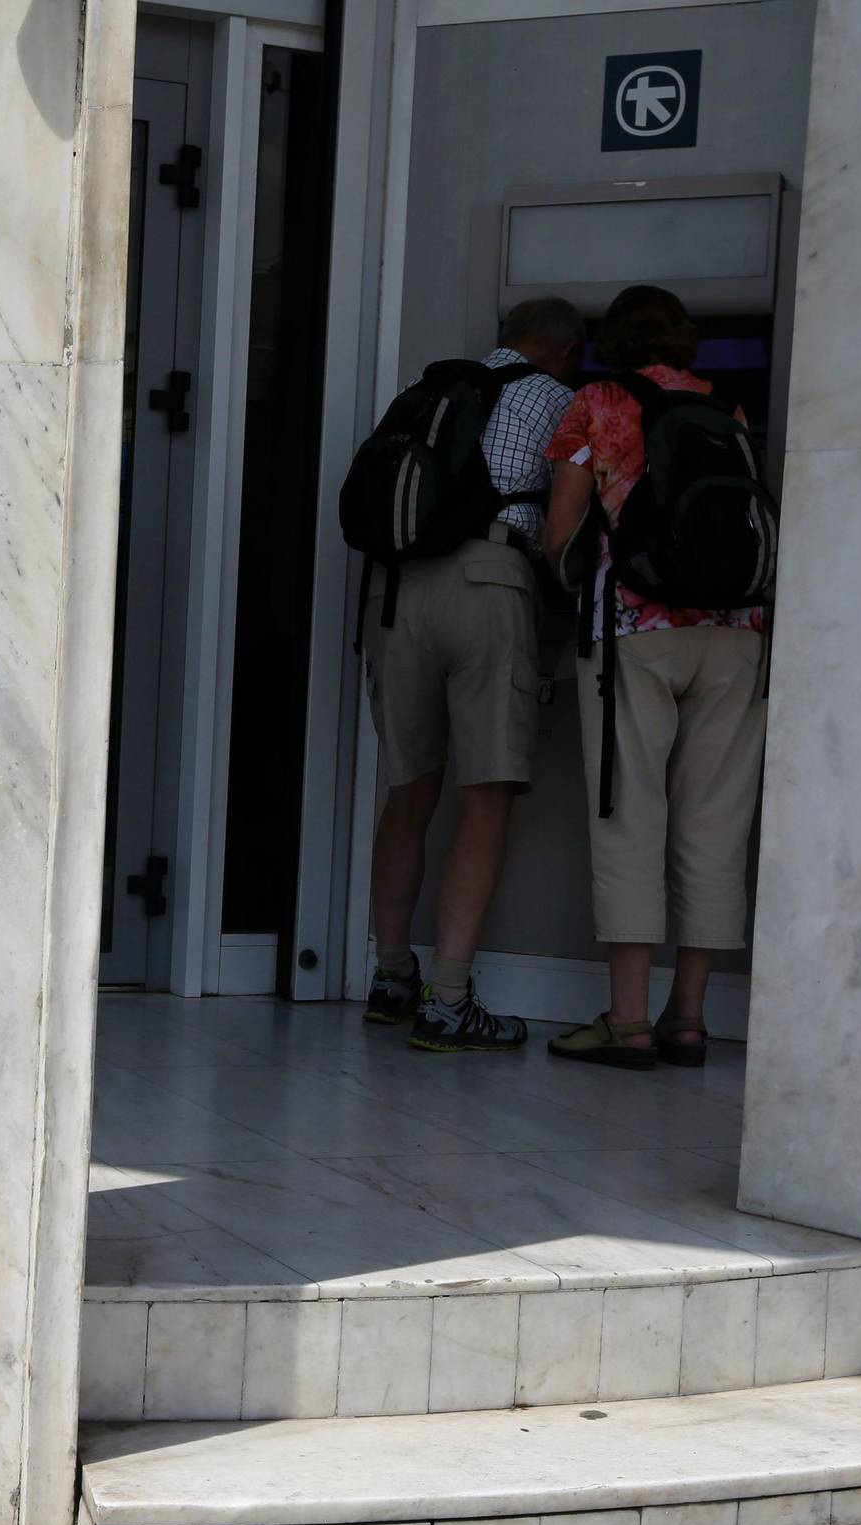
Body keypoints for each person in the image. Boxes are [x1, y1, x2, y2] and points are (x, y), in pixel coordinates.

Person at [539, 285, 766, 1069]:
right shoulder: (728, 407)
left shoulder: (595, 401)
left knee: (629, 812)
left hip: (634, 632)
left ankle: (628, 1021)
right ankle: (690, 1020)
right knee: (715, 823)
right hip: (737, 632)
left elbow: (562, 534)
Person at [364, 296, 585, 1048]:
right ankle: (449, 998)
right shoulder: (560, 397)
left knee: (408, 791)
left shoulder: (426, 392)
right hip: (490, 581)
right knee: (486, 795)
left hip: (396, 591)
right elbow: (569, 521)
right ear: (563, 349)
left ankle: (391, 978)